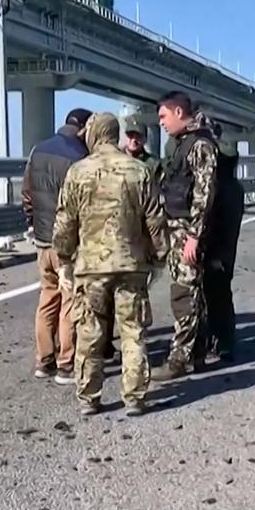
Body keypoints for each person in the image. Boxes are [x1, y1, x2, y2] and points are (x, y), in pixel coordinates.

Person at [52, 113, 167, 417]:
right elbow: (155, 220)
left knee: (90, 334)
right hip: (131, 265)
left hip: (91, 268)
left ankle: (89, 397)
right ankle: (135, 397)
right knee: (133, 332)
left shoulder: (78, 172)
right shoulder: (139, 171)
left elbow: (65, 222)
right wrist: (159, 257)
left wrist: (63, 259)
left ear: (94, 134)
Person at [151, 91, 221, 381]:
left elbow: (205, 195)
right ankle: (199, 352)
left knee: (184, 294)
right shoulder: (182, 145)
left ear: (179, 113)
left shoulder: (200, 145)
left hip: (187, 232)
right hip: (179, 228)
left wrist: (194, 236)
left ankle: (179, 359)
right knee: (194, 292)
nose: (161, 124)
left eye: (164, 117)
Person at [22, 107, 92, 385]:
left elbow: (27, 193)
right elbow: (81, 205)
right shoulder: (79, 156)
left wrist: (32, 223)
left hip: (42, 240)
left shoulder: (37, 150)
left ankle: (43, 361)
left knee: (47, 297)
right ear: (84, 129)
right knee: (69, 300)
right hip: (66, 243)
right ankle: (66, 364)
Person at [200, 123, 245, 365]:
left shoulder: (221, 190)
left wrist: (214, 254)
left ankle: (222, 343)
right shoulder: (235, 188)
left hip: (217, 253)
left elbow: (218, 227)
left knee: (215, 297)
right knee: (220, 296)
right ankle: (221, 342)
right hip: (226, 252)